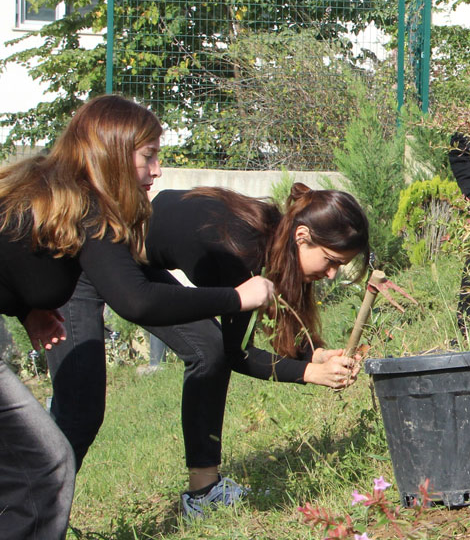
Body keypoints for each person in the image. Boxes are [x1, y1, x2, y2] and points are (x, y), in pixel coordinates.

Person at [0, 95, 273, 540]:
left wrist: (27, 308)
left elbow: (15, 259)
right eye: (148, 156)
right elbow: (138, 301)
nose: (158, 169)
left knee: (44, 461)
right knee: (44, 463)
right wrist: (237, 298)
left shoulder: (56, 192)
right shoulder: (86, 204)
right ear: (111, 153)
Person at [47, 183, 369, 517]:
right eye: (330, 261)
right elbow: (239, 354)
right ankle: (31, 505)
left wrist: (313, 354)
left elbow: (253, 330)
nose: (330, 274)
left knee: (207, 349)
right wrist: (311, 373)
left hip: (133, 263)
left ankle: (203, 493)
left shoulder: (272, 234)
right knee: (79, 412)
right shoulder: (239, 249)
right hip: (86, 262)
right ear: (302, 235)